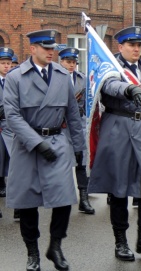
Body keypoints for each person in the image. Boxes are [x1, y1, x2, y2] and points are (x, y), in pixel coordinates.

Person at [87, 26, 141, 262]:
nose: (137, 49)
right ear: (120, 47)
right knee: (119, 190)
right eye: (132, 45)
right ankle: (121, 242)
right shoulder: (111, 67)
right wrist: (129, 88)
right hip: (119, 129)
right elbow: (108, 86)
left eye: (139, 45)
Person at [4, 29, 85, 271]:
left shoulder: (62, 75)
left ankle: (56, 246)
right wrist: (36, 142)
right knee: (28, 204)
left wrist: (79, 148)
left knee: (63, 200)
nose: (52, 52)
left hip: (57, 142)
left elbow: (72, 113)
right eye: (46, 48)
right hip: (27, 146)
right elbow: (12, 116)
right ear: (33, 49)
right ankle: (32, 253)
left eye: (54, 48)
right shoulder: (16, 77)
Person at [59, 47, 95, 215]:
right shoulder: (55, 78)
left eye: (74, 62)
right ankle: (62, 198)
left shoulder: (83, 79)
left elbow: (89, 101)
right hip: (61, 126)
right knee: (63, 163)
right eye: (68, 62)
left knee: (81, 160)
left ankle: (84, 198)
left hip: (79, 125)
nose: (71, 65)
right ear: (61, 62)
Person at [0, 47, 13, 200]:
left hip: (11, 126)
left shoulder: (14, 80)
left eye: (8, 63)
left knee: (12, 159)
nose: (6, 66)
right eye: (3, 63)